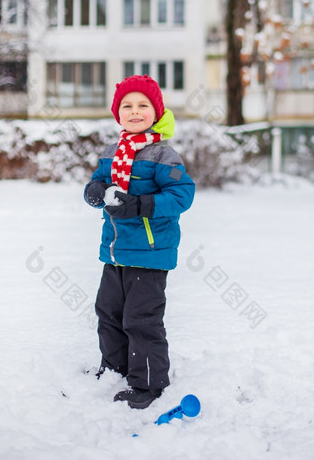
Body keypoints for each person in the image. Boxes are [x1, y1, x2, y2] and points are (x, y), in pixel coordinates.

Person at [84, 74, 195, 409]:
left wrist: (142, 205)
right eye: (127, 106)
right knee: (108, 312)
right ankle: (116, 367)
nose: (135, 111)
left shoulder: (163, 154)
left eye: (142, 105)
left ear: (155, 111)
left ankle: (148, 382)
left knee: (140, 318)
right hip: (115, 251)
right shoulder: (111, 151)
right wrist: (93, 191)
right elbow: (98, 182)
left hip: (149, 253)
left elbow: (182, 194)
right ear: (118, 113)